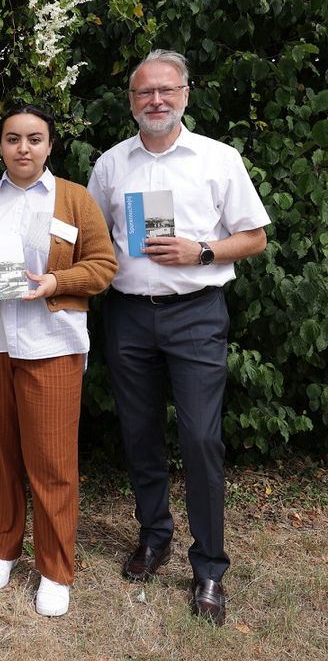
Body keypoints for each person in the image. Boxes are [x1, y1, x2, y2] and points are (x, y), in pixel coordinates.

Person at [88, 50, 269, 625]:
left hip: (196, 313)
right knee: (139, 435)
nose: (156, 101)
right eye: (145, 93)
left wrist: (203, 250)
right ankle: (154, 535)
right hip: (129, 316)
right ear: (132, 102)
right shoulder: (111, 166)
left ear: (186, 94)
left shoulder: (218, 159)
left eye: (167, 90)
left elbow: (256, 237)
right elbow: (93, 242)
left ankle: (210, 567)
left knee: (199, 439)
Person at [0, 105, 117, 616]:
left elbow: (104, 265)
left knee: (52, 459)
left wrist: (56, 282)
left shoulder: (75, 200)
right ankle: (2, 545)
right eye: (13, 138)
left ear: (49, 145)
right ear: (0, 145)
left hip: (51, 342)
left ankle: (56, 568)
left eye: (34, 139)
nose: (23, 148)